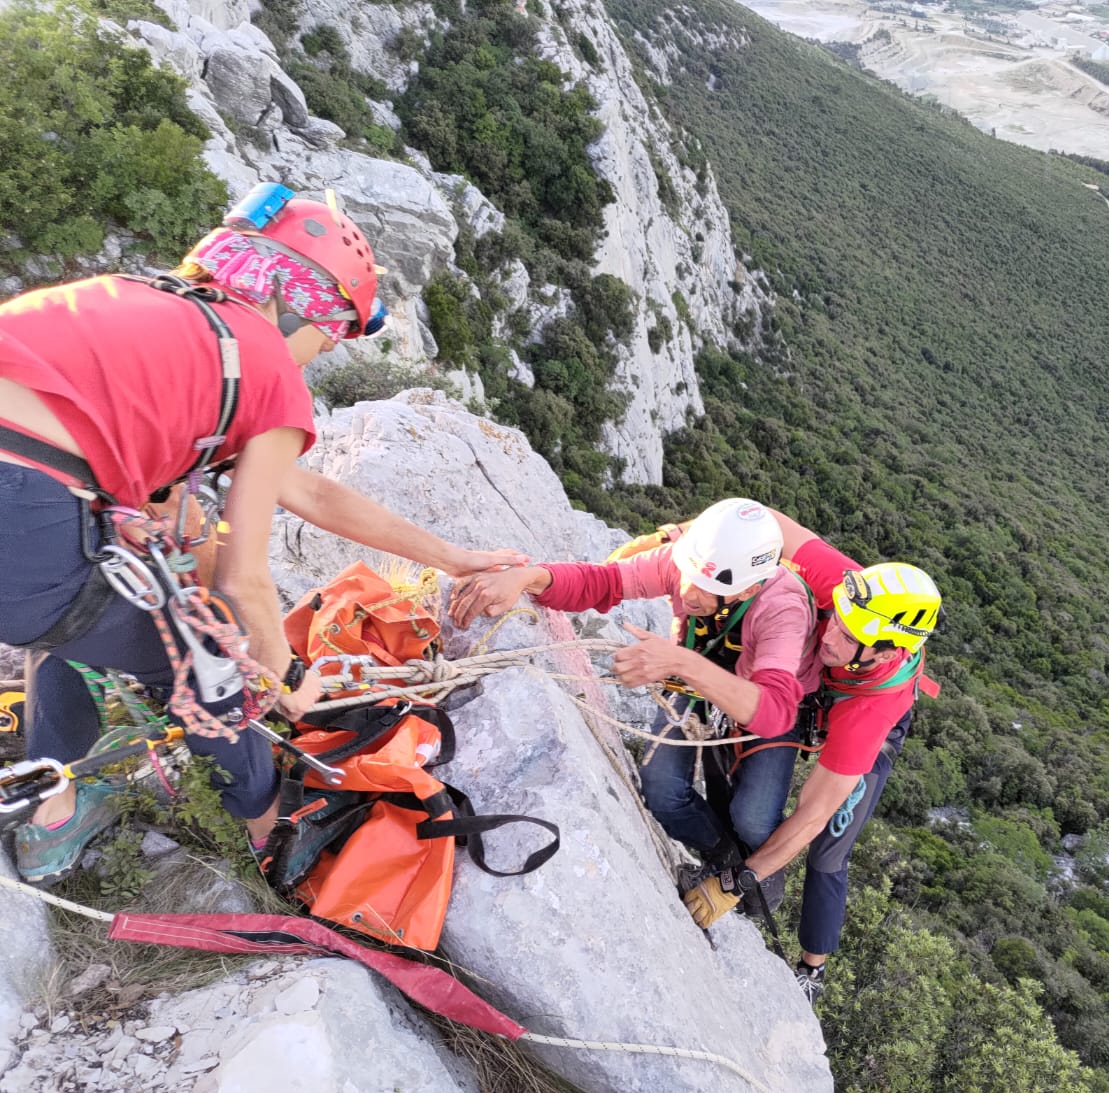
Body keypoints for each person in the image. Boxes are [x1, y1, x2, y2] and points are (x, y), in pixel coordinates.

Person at [0, 182, 523, 885]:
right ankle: (265, 832)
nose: (317, 354)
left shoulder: (144, 302)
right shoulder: (263, 359)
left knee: (91, 599)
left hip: (30, 505)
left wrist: (451, 557)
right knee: (210, 657)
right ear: (309, 306)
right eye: (330, 336)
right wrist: (287, 677)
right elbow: (243, 580)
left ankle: (56, 795)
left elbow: (306, 489)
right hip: (22, 509)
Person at [447, 498, 818, 876]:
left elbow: (774, 711)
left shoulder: (782, 607)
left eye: (706, 589)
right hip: (693, 674)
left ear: (746, 591)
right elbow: (602, 582)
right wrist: (529, 577)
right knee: (661, 792)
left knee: (753, 819)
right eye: (688, 574)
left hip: (759, 695)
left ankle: (763, 871)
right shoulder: (686, 562)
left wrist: (680, 662)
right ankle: (722, 857)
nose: (689, 593)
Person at [673, 511, 941, 1006]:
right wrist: (691, 538)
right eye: (835, 615)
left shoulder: (870, 710)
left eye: (847, 633)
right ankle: (737, 854)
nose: (830, 633)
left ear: (883, 654)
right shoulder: (849, 588)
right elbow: (765, 522)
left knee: (829, 849)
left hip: (854, 715)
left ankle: (812, 968)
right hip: (800, 685)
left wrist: (733, 885)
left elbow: (812, 814)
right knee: (748, 801)